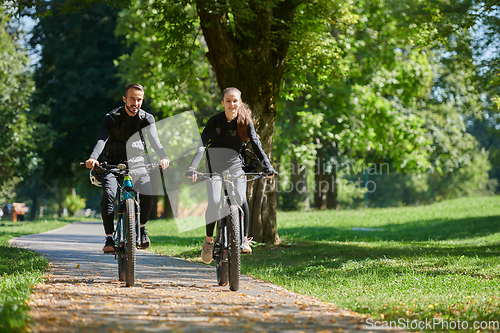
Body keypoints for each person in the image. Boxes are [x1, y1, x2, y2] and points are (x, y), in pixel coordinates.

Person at [186, 87, 276, 264]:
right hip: (214, 165)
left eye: (235, 100)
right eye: (228, 100)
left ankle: (243, 239)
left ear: (240, 102)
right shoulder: (215, 121)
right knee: (213, 200)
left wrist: (268, 166)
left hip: (235, 166)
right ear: (222, 102)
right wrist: (193, 167)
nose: (231, 104)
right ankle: (209, 240)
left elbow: (256, 144)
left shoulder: (245, 121)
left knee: (241, 198)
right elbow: (201, 145)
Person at [86, 83, 170, 253]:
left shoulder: (147, 118)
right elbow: (102, 139)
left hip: (138, 162)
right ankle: (109, 237)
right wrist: (93, 158)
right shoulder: (111, 117)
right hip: (111, 163)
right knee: (108, 195)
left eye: (139, 99)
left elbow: (154, 140)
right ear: (125, 99)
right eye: (132, 99)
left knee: (148, 194)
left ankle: (142, 228)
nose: (136, 103)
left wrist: (164, 156)